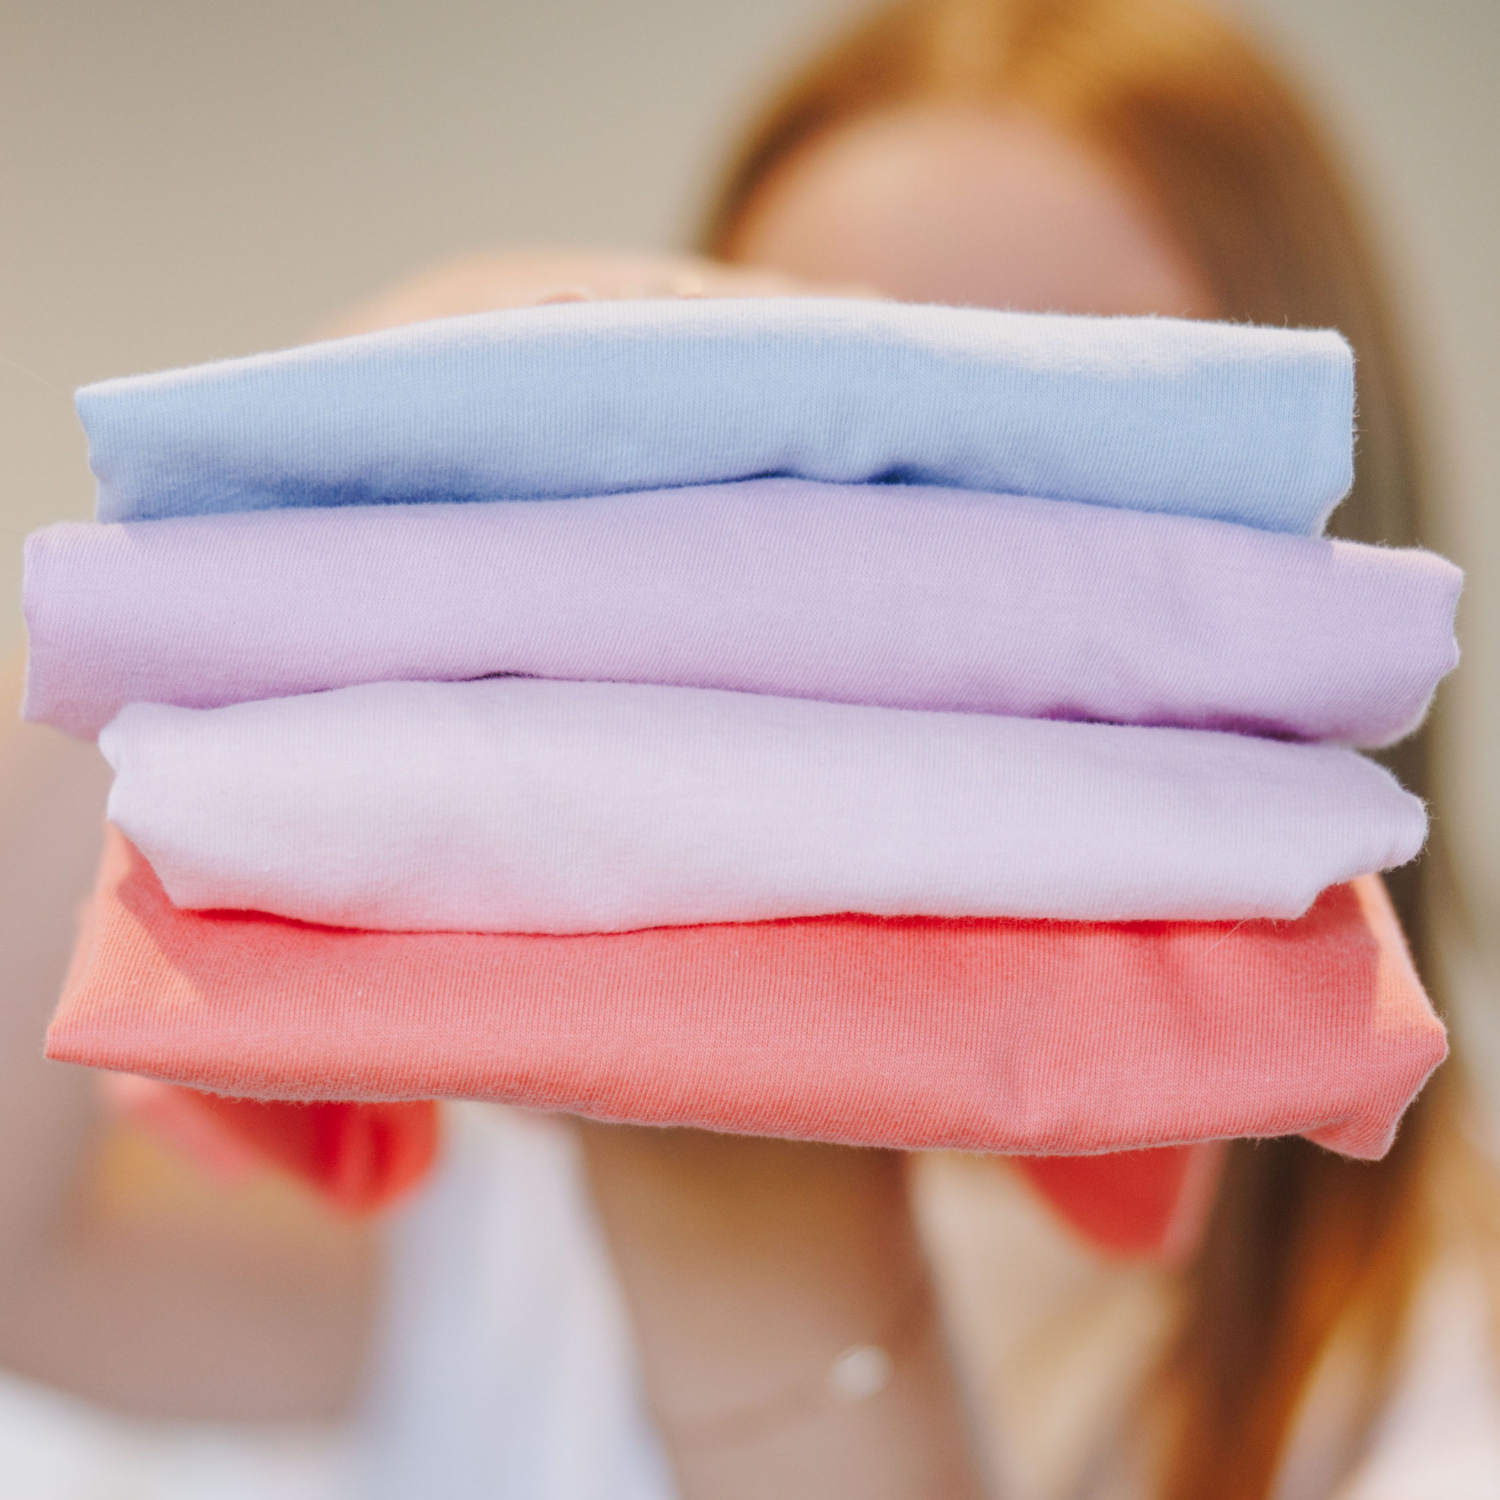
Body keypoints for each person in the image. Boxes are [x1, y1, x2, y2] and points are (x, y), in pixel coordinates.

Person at [1, 1, 1496, 1496]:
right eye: (810, 405)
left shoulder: (1440, 1379)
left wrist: (768, 1284)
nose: (918, 528)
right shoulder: (507, 1215)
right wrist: (270, 520)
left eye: (1065, 410)